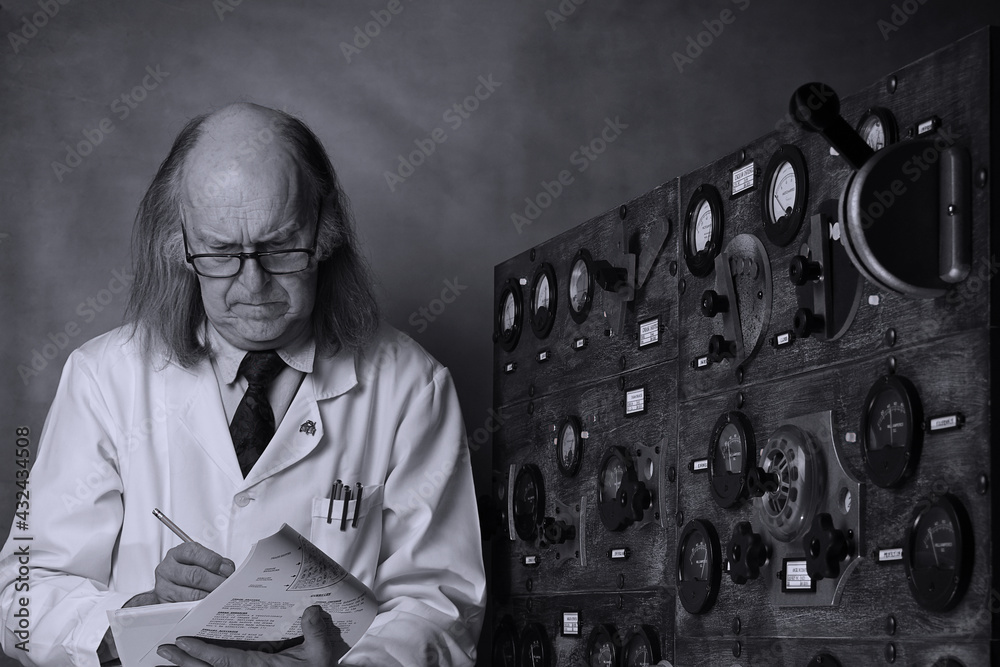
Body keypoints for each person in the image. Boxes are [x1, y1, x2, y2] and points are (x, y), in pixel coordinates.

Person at [0, 103, 486, 666]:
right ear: (179, 246)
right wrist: (134, 617)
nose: (252, 284)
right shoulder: (104, 378)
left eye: (280, 248)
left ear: (324, 234)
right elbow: (23, 595)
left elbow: (442, 606)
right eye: (222, 252)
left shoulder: (410, 386)